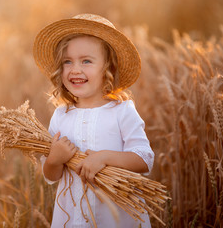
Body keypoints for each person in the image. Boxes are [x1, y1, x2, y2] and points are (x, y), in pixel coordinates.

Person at [33, 14, 154, 228]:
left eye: (86, 61)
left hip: (116, 218)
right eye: (67, 62)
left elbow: (144, 159)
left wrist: (104, 158)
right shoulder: (61, 116)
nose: (75, 69)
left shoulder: (122, 111)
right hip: (72, 218)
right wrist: (54, 159)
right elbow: (51, 176)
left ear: (109, 68)